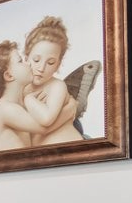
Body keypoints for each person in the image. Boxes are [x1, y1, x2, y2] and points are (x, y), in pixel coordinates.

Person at [0, 40, 53, 150]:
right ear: (9, 75)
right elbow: (46, 128)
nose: (28, 63)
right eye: (20, 61)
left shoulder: (19, 106)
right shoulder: (5, 108)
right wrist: (72, 108)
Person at [19, 16, 84, 144]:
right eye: (36, 60)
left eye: (50, 62)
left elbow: (47, 119)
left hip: (71, 149)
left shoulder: (57, 86)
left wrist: (29, 99)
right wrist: (70, 110)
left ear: (58, 65)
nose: (41, 68)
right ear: (26, 57)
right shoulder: (19, 88)